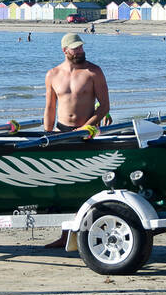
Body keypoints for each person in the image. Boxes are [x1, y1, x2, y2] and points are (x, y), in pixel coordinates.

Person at [40, 32, 112, 247]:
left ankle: (88, 231)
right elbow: (50, 107)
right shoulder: (52, 74)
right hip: (61, 133)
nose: (80, 51)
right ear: (65, 50)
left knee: (85, 183)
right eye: (75, 48)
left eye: (81, 47)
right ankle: (64, 235)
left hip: (86, 134)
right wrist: (47, 133)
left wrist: (89, 125)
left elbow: (105, 106)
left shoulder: (93, 72)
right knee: (61, 184)